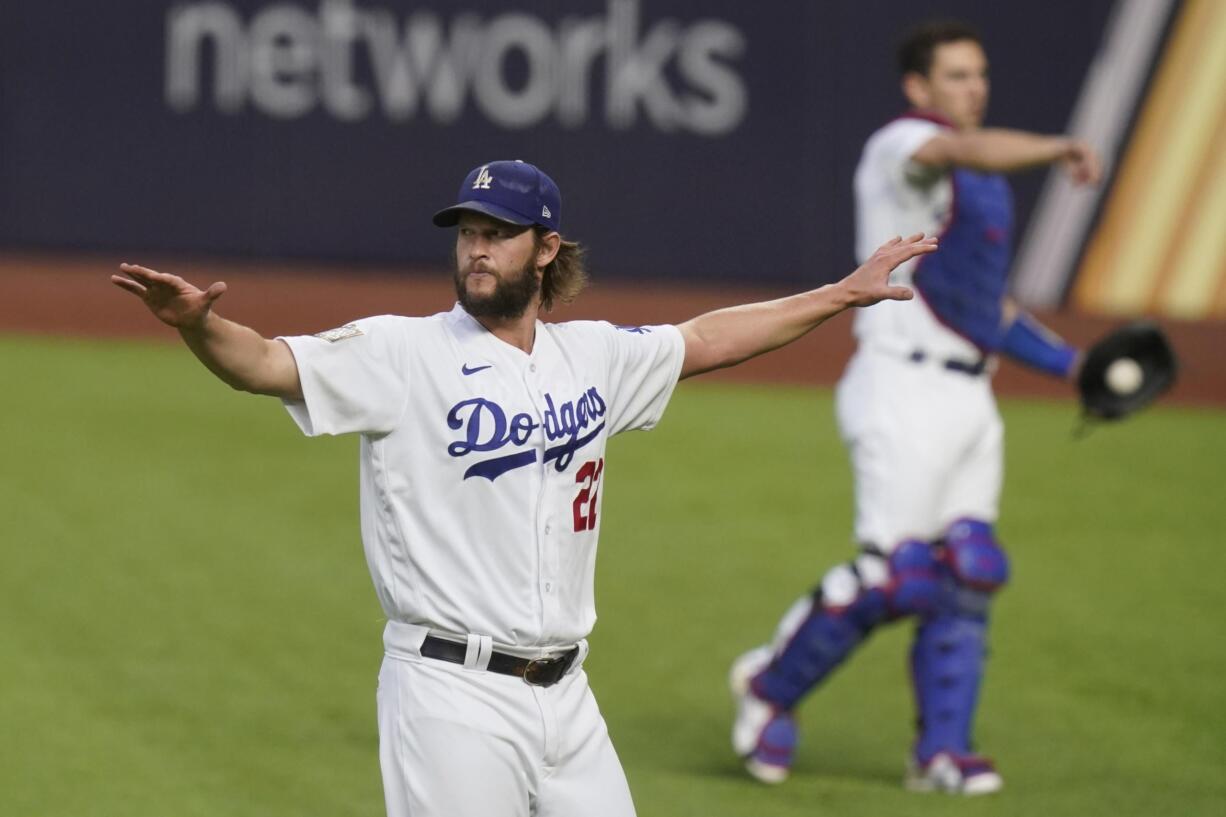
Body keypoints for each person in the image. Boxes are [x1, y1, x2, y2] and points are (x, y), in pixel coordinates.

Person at [112, 158, 936, 817]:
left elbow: (704, 339)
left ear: (545, 249)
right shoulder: (400, 353)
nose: (477, 248)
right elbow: (262, 364)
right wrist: (199, 326)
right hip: (449, 693)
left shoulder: (594, 356)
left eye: (498, 233)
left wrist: (837, 295)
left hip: (569, 696)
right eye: (468, 230)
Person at [729, 20, 1102, 795]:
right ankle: (767, 691)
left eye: (979, 74)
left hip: (969, 394)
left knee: (968, 571)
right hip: (899, 383)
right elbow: (962, 148)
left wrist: (1074, 366)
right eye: (956, 76)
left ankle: (941, 750)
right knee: (892, 576)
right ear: (918, 87)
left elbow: (978, 306)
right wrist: (1060, 146)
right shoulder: (902, 146)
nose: (973, 88)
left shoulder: (984, 180)